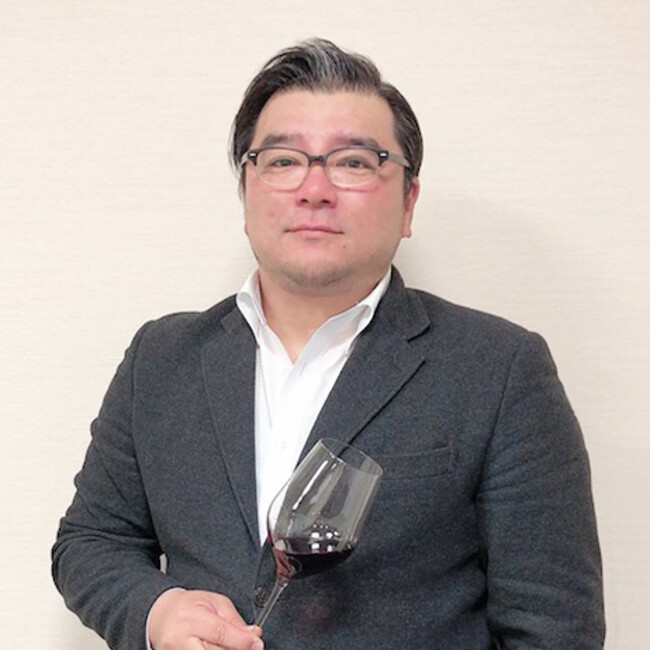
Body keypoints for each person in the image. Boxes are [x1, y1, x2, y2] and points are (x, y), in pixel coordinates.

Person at [52, 38, 605, 650]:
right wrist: (155, 612)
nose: (314, 188)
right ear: (246, 191)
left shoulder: (500, 369)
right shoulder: (160, 358)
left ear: (408, 202)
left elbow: (555, 629)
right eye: (283, 160)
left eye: (354, 162)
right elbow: (91, 541)